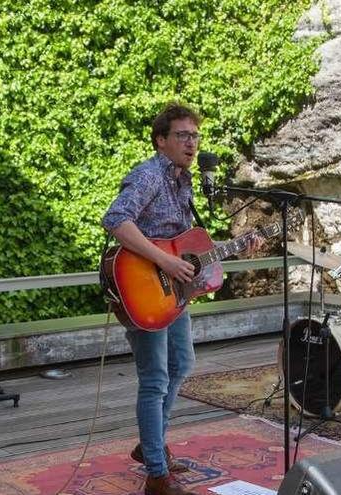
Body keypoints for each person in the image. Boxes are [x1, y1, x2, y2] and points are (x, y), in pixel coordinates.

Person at [102, 104, 262, 495]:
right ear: (161, 140)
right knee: (155, 379)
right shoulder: (148, 175)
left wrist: (236, 246)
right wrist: (165, 262)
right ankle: (157, 476)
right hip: (143, 288)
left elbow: (186, 244)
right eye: (182, 135)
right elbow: (116, 219)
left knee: (182, 364)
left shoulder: (182, 181)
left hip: (173, 294)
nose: (191, 143)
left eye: (195, 136)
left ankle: (150, 444)